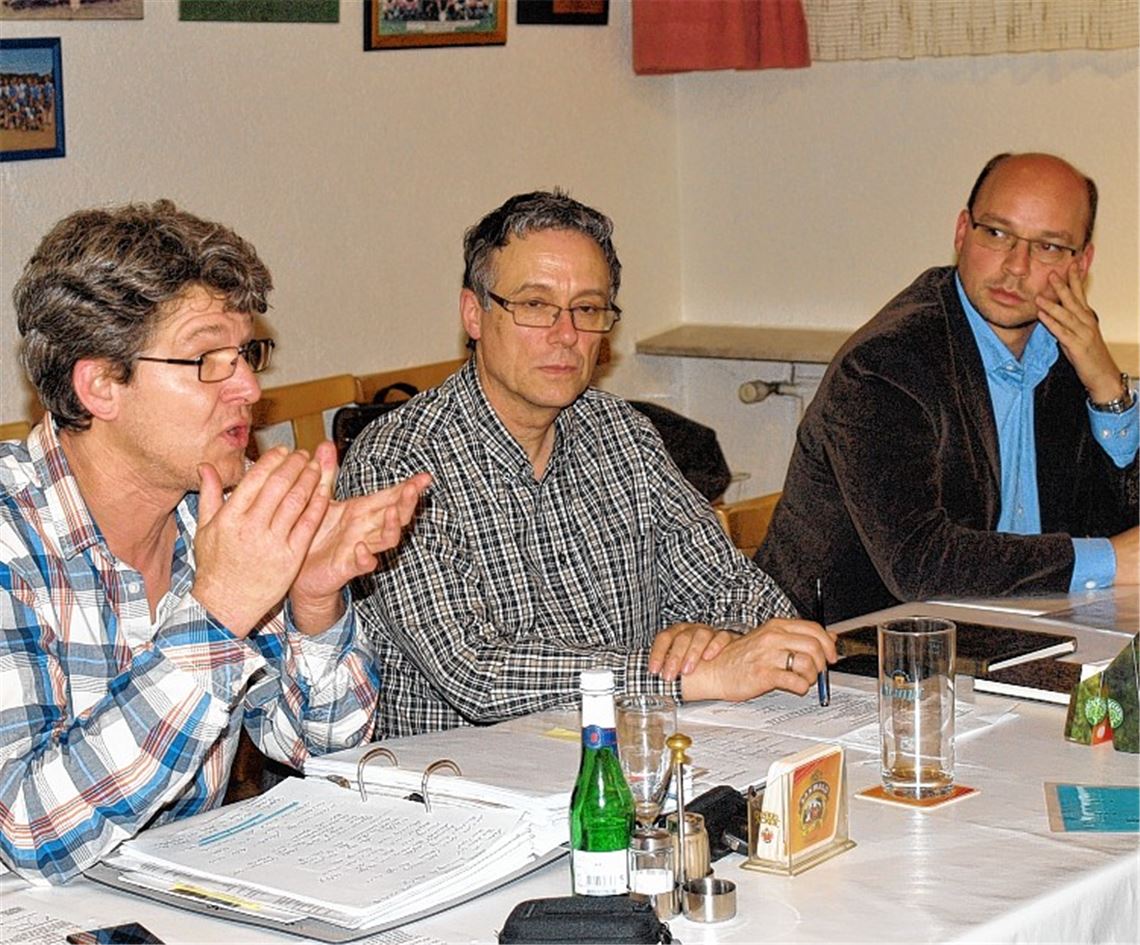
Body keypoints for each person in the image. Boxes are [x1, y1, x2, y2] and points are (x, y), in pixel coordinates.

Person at [0, 200, 431, 885]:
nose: (251, 389)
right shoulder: (10, 538)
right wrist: (219, 610)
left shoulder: (217, 514)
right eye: (207, 359)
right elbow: (25, 832)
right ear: (101, 384)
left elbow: (322, 745)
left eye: (247, 354)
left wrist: (314, 601)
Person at [339, 189, 835, 738]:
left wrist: (714, 635)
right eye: (534, 305)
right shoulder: (396, 462)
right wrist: (685, 678)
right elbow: (475, 672)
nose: (567, 335)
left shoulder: (621, 433)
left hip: (628, 758)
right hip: (466, 788)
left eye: (588, 309)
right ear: (473, 314)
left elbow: (743, 590)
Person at [757, 152, 1138, 624]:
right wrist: (1112, 561)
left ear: (1082, 264)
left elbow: (1115, 531)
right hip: (849, 653)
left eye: (1049, 247)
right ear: (962, 232)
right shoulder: (886, 365)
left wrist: (1107, 390)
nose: (1016, 267)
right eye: (997, 234)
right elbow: (921, 563)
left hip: (1008, 630)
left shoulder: (1065, 344)